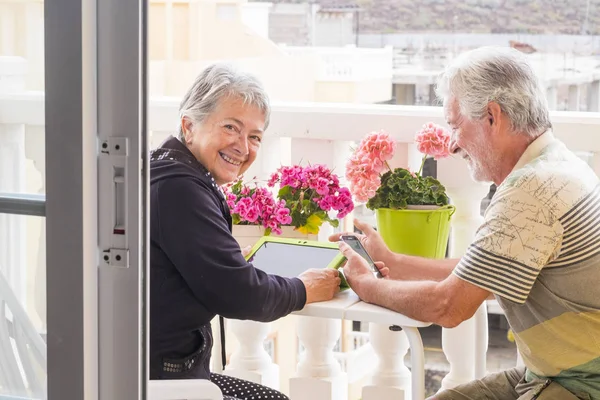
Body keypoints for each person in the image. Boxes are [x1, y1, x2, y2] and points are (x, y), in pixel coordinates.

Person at [333, 46, 600, 400]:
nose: (452, 144)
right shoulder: (556, 162)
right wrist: (395, 263)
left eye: (455, 125)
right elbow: (483, 270)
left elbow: (448, 306)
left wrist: (365, 285)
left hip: (581, 385)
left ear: (492, 116)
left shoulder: (530, 191)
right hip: (554, 373)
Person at [149, 63, 341, 399]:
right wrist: (303, 289)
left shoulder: (166, 168)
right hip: (163, 382)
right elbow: (239, 294)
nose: (243, 147)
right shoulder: (179, 188)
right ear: (189, 126)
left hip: (167, 371)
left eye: (254, 137)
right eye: (230, 128)